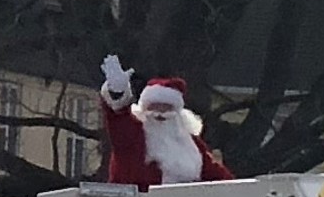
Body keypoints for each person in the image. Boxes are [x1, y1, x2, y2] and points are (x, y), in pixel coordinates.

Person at [100, 53, 235, 189]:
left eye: (166, 109)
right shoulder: (134, 134)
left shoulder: (190, 143)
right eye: (154, 107)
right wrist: (117, 93)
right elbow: (118, 120)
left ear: (177, 113)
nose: (160, 114)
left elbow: (218, 176)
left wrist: (240, 191)